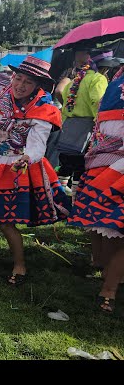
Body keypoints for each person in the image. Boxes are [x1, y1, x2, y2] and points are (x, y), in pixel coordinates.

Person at [0, 56, 71, 285]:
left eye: (28, 82)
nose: (20, 85)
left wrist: (27, 157)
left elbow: (37, 145)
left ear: (37, 86)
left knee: (6, 220)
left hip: (19, 167)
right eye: (19, 79)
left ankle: (19, 264)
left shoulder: (43, 110)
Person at [68, 74, 124, 313]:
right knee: (116, 230)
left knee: (103, 224)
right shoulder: (110, 82)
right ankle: (109, 287)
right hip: (116, 168)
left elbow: (101, 119)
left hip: (100, 161)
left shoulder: (115, 81)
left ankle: (102, 267)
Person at [55, 46, 108, 194]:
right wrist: (99, 124)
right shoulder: (99, 79)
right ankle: (75, 203)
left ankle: (59, 200)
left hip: (69, 127)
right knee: (80, 167)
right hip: (86, 129)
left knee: (66, 165)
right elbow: (97, 102)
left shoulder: (75, 80)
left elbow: (66, 104)